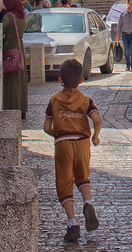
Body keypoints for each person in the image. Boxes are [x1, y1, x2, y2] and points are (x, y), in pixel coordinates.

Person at [44, 58, 102, 242]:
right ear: (82, 80)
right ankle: (88, 202)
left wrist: (58, 135)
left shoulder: (54, 101)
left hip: (63, 143)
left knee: (64, 184)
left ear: (60, 79)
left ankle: (73, 222)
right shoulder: (86, 101)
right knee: (83, 177)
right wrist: (95, 136)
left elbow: (46, 127)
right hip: (82, 142)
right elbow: (97, 120)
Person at [1, 0, 29, 120]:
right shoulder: (21, 16)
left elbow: (0, 30)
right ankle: (21, 108)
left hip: (10, 49)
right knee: (20, 81)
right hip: (19, 49)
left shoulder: (9, 16)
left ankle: (11, 107)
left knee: (10, 80)